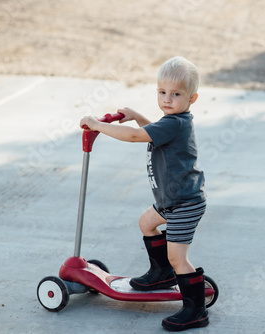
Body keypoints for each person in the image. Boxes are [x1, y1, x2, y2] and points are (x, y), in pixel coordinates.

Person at [79, 56, 208, 331]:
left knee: (178, 257)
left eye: (176, 94)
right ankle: (160, 274)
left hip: (184, 203)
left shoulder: (175, 123)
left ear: (192, 98)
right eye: (162, 92)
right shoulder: (173, 121)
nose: (167, 99)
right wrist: (137, 116)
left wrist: (98, 125)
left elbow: (138, 137)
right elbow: (152, 130)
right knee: (146, 222)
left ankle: (195, 311)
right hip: (171, 200)